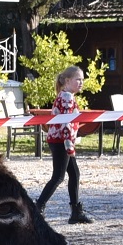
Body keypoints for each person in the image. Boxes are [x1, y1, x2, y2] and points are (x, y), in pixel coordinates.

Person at [34, 65, 92, 224]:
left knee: (74, 174)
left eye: (82, 80)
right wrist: (69, 145)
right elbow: (66, 124)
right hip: (61, 141)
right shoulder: (66, 97)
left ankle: (75, 212)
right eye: (78, 79)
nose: (81, 83)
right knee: (58, 177)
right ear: (67, 80)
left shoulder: (65, 95)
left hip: (61, 140)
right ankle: (37, 209)